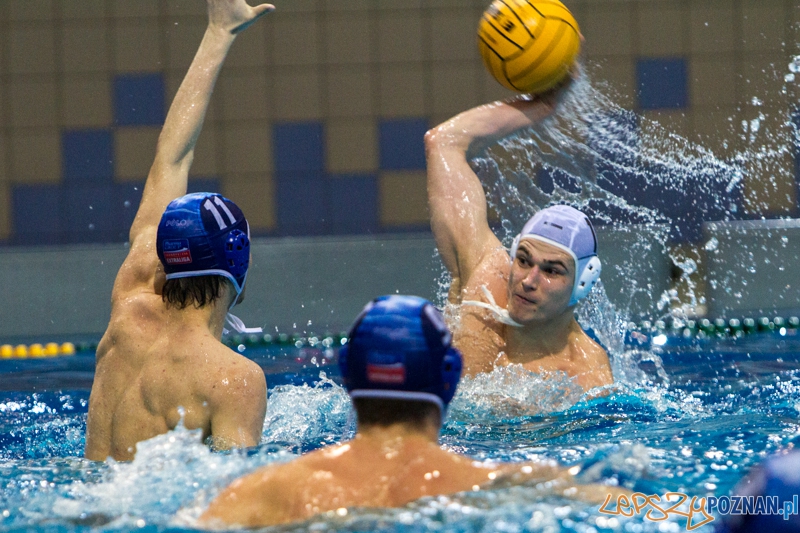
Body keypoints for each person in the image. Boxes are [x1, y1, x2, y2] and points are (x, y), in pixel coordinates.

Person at [200, 295, 625, 528]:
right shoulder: (496, 485)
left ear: (348, 376)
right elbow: (666, 512)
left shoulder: (264, 493)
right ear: (450, 378)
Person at [84, 0, 273, 462]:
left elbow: (172, 158)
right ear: (238, 265)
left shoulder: (130, 297)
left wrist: (218, 32)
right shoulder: (233, 379)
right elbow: (234, 504)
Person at [424, 86, 613, 392]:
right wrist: (540, 107)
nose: (528, 280)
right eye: (523, 260)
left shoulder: (585, 377)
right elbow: (442, 142)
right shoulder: (488, 281)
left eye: (551, 270)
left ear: (582, 284)